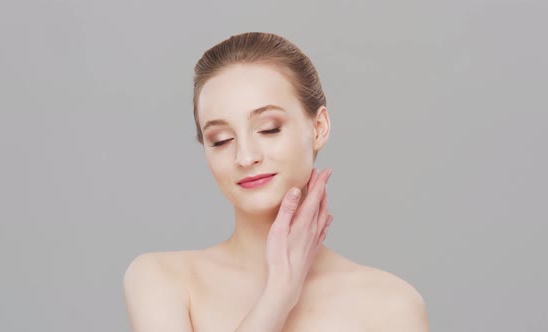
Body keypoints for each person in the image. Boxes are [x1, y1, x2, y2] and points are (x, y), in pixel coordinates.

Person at [123, 32, 429, 331]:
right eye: (221, 140)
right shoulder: (162, 279)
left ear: (318, 127)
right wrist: (279, 295)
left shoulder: (391, 306)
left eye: (269, 129)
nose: (245, 156)